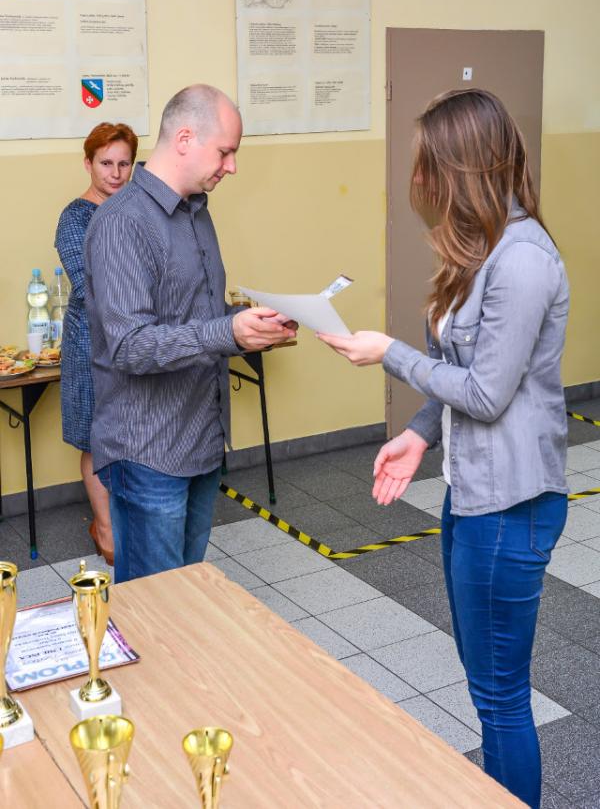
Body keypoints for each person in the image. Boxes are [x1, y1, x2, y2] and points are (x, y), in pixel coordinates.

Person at [318, 89, 569, 809]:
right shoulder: (483, 248)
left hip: (512, 504)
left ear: (465, 166)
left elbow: (487, 393)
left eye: (429, 164)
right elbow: (467, 373)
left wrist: (389, 353)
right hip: (475, 492)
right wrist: (417, 433)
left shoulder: (523, 260)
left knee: (500, 697)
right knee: (486, 682)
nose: (419, 179)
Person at [84, 84, 296, 585]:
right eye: (225, 152)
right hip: (148, 451)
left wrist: (250, 323)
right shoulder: (121, 223)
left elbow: (195, 314)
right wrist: (227, 332)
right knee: (155, 604)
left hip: (201, 438)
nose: (232, 166)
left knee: (187, 597)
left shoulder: (196, 210)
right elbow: (130, 345)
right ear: (184, 138)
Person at [55, 122, 138, 566]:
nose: (116, 173)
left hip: (137, 341)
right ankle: (104, 526)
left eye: (124, 163)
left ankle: (128, 521)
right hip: (91, 344)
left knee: (133, 433)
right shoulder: (75, 217)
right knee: (95, 437)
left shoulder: (138, 209)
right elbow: (89, 287)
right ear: (88, 163)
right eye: (106, 163)